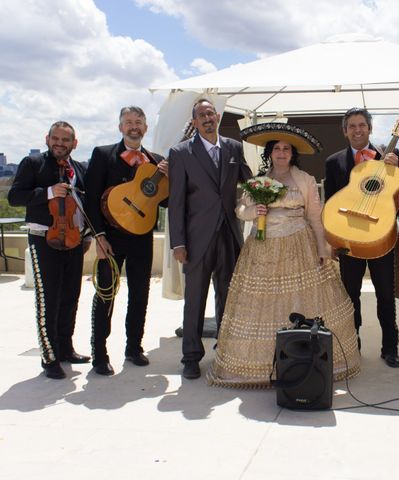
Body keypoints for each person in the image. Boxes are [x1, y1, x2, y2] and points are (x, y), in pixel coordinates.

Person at [207, 123, 360, 387]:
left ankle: (303, 359)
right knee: (262, 306)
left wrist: (323, 249)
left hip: (299, 246)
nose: (281, 152)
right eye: (276, 148)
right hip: (262, 248)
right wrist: (256, 212)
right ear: (270, 152)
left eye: (286, 149)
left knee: (300, 301)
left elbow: (315, 216)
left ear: (292, 154)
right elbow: (240, 210)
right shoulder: (258, 181)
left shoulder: (305, 180)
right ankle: (261, 366)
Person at [168, 99, 252, 380]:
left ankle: (225, 351)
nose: (207, 118)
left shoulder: (233, 147)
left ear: (218, 117)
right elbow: (176, 201)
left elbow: (248, 179)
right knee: (195, 300)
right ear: (194, 122)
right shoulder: (180, 153)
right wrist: (178, 243)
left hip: (229, 234)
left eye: (210, 114)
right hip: (196, 239)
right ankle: (191, 357)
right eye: (201, 115)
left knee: (228, 298)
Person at [84, 106, 168, 376]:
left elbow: (164, 201)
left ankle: (134, 347)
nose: (134, 126)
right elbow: (90, 198)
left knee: (140, 295)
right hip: (110, 237)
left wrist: (170, 176)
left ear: (145, 128)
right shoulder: (102, 154)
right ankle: (99, 354)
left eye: (139, 122)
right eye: (129, 122)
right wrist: (98, 235)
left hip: (141, 238)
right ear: (120, 127)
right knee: (106, 294)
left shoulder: (155, 161)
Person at [8, 121, 91, 379]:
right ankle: (49, 356)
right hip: (44, 240)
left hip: (74, 241)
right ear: (47, 138)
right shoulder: (33, 164)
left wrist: (86, 234)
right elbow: (14, 197)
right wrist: (47, 192)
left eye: (65, 140)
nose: (59, 143)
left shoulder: (78, 169)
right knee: (48, 300)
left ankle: (66, 348)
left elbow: (83, 201)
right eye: (55, 138)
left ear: (74, 144)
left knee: (70, 296)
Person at [324, 107, 399, 368]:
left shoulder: (389, 156)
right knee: (350, 295)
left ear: (370, 128)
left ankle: (390, 347)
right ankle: (352, 344)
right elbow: (331, 203)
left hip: (380, 234)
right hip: (348, 238)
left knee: (385, 294)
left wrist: (396, 169)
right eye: (352, 126)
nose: (357, 130)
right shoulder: (334, 162)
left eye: (362, 125)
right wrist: (333, 240)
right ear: (345, 131)